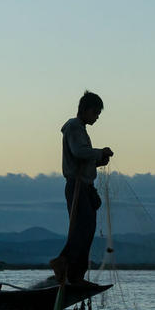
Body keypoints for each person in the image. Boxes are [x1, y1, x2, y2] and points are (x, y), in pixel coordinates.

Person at [50, 90, 113, 284]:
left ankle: (76, 275)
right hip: (76, 187)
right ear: (85, 110)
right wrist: (99, 152)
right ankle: (62, 263)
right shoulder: (74, 127)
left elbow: (83, 159)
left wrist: (98, 160)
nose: (96, 118)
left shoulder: (81, 129)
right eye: (95, 113)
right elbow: (79, 152)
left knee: (88, 230)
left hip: (85, 187)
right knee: (81, 228)